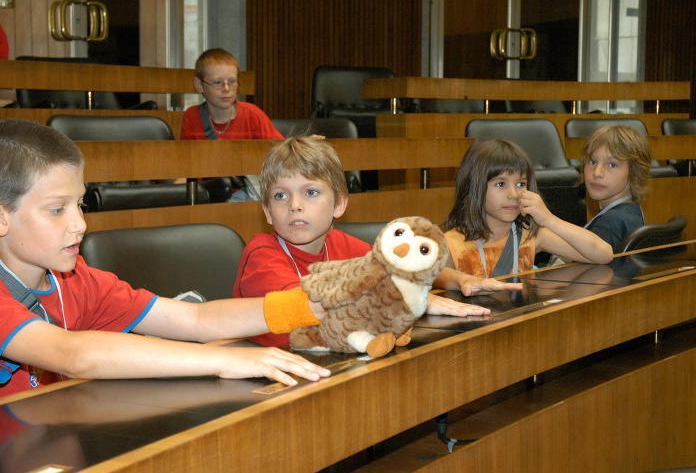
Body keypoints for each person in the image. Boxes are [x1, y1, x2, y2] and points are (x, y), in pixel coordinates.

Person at [0, 119, 330, 417]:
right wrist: (224, 360)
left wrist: (313, 305)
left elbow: (196, 318)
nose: (79, 223)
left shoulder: (76, 279)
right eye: (56, 209)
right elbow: (72, 354)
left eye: (79, 204)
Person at [234, 136, 522, 348]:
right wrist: (411, 300)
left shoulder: (342, 244)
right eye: (281, 196)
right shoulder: (262, 254)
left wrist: (461, 281)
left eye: (310, 192)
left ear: (339, 204)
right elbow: (309, 309)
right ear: (267, 211)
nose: (294, 205)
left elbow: (402, 267)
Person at [443, 139, 613, 278]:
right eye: (500, 184)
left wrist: (549, 219)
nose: (514, 194)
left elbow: (604, 254)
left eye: (520, 184)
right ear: (475, 188)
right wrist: (461, 281)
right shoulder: (450, 243)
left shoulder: (530, 236)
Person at [180, 48, 283, 201]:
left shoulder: (252, 114)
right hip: (213, 195)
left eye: (232, 82)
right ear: (199, 85)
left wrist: (306, 144)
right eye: (217, 82)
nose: (226, 89)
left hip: (250, 193)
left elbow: (281, 151)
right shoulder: (191, 116)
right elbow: (183, 164)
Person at [579, 124, 651, 252]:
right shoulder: (631, 210)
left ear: (634, 173)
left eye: (612, 165)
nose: (597, 172)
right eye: (592, 162)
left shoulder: (610, 224)